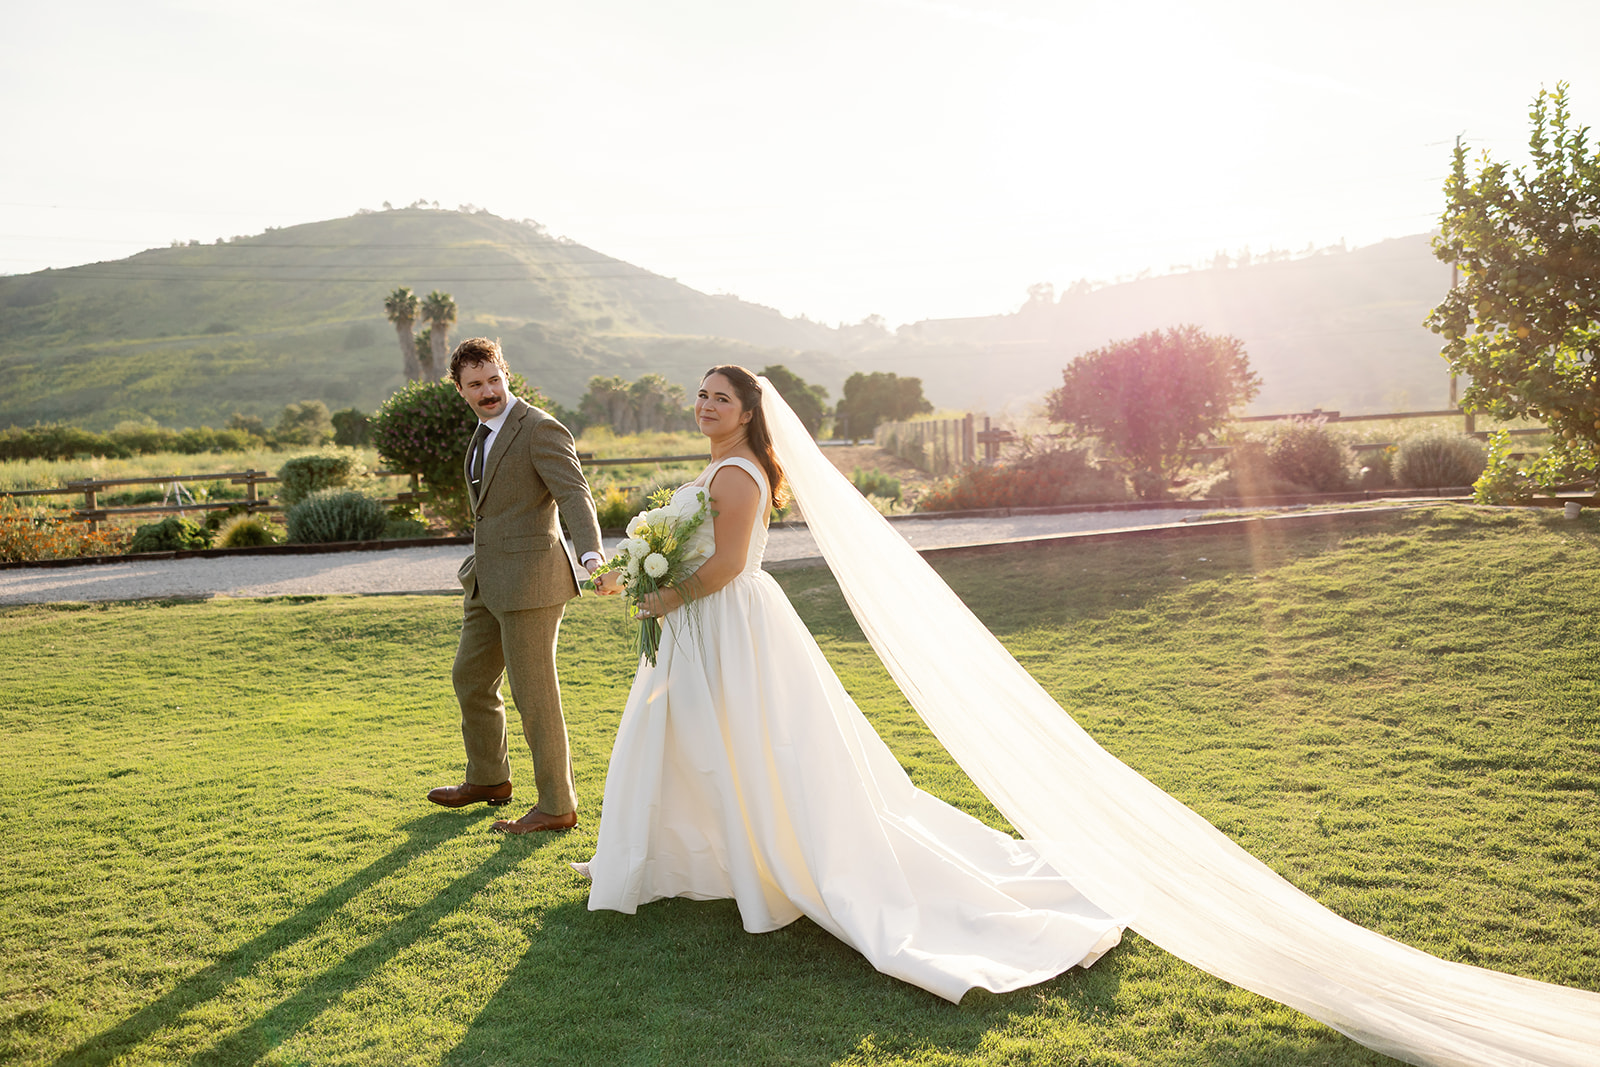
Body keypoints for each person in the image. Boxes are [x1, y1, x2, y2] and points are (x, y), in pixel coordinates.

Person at [586, 365, 1124, 1002]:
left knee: (745, 745)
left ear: (749, 413)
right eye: (701, 394)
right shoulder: (721, 468)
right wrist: (632, 573)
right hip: (702, 622)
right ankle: (694, 854)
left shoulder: (736, 473)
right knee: (702, 740)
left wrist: (666, 596)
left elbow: (729, 563)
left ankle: (759, 858)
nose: (706, 405)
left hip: (724, 621)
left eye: (721, 399)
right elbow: (688, 546)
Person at [425, 337, 605, 835]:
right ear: (460, 389)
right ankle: (488, 779)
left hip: (531, 583)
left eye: (494, 380)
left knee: (534, 696)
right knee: (471, 679)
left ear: (507, 375)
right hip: (486, 582)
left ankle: (557, 805)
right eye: (476, 384)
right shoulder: (484, 431)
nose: (488, 391)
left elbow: (574, 493)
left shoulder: (539, 428)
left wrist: (591, 554)